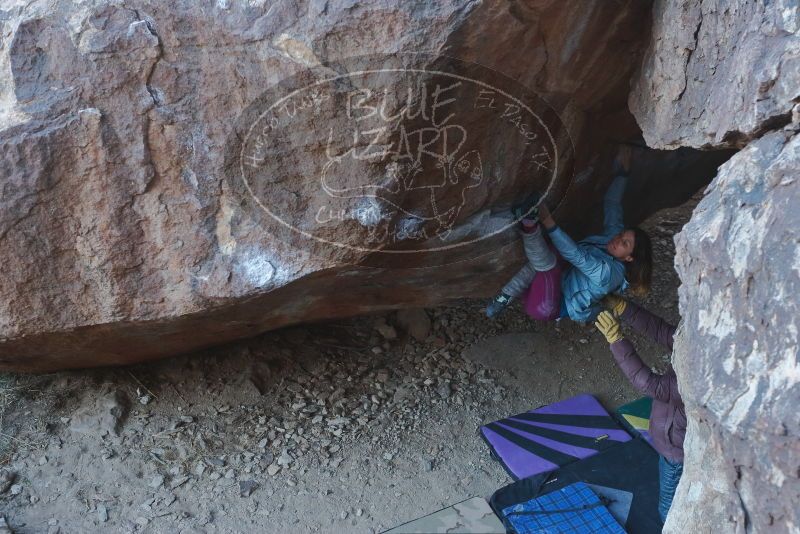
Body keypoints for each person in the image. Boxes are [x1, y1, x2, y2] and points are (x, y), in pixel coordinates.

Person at [486, 146, 653, 323]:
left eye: (625, 244)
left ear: (628, 258)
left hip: (547, 306)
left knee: (553, 260)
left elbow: (575, 254)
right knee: (553, 254)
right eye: (622, 235)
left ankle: (528, 223)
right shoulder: (613, 239)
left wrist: (548, 221)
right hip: (542, 284)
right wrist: (623, 174)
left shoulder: (608, 274)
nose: (618, 239)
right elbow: (612, 204)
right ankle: (505, 296)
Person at [595, 295, 686, 523]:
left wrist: (617, 340)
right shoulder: (706, 344)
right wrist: (625, 308)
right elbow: (665, 333)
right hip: (673, 445)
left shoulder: (695, 379)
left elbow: (650, 384)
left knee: (669, 507)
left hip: (677, 454)